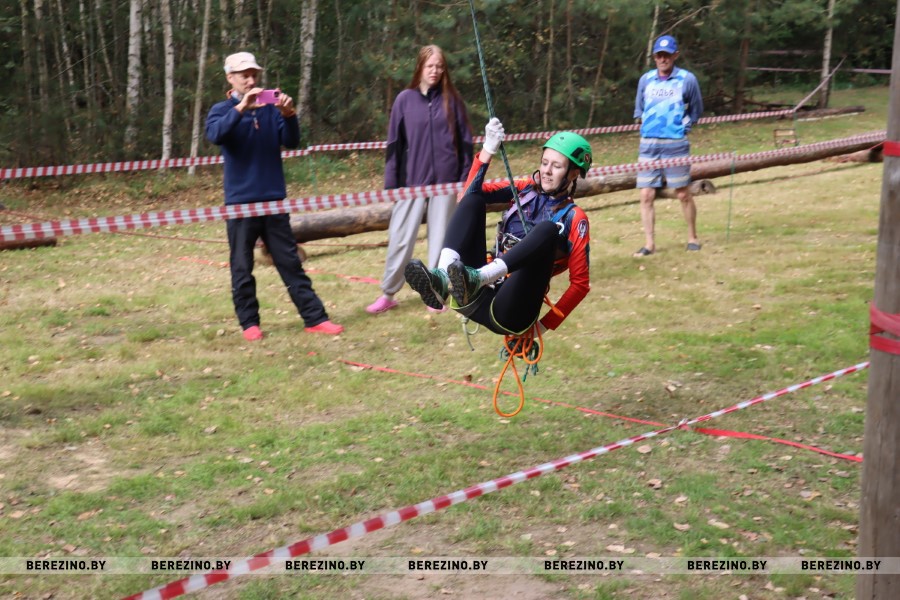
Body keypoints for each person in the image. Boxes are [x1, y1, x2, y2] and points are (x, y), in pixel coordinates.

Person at [403, 118, 591, 340]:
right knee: (473, 200)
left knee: (547, 230)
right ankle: (443, 280)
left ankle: (478, 277)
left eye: (557, 166)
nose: (547, 171)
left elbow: (580, 285)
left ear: (573, 173)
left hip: (511, 312)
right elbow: (467, 195)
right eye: (544, 163)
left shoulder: (574, 218)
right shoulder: (524, 189)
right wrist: (487, 150)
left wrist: (540, 328)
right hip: (473, 295)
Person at [206, 51, 343, 341]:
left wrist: (289, 116)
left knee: (290, 263)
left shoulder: (270, 108)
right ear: (230, 78)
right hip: (240, 203)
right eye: (244, 75)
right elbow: (216, 135)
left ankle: (315, 318)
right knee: (242, 266)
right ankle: (249, 324)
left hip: (273, 201)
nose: (250, 80)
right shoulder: (221, 110)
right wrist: (241, 108)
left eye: (254, 74)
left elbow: (291, 141)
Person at [366, 45, 473, 314]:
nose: (435, 71)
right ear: (420, 68)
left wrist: (464, 181)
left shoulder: (453, 101)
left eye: (440, 66)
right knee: (400, 238)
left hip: (446, 183)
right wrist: (392, 183)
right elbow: (394, 143)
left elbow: (466, 144)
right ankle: (388, 293)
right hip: (411, 183)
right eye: (430, 66)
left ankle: (436, 294)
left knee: (441, 239)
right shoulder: (404, 100)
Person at [632, 34, 704, 257]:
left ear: (675, 55)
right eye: (659, 55)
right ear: (654, 57)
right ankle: (649, 244)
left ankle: (692, 238)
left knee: (682, 193)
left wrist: (685, 126)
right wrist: (644, 125)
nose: (663, 59)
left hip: (676, 144)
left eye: (667, 55)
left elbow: (697, 109)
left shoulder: (687, 79)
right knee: (646, 195)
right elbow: (639, 109)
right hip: (649, 145)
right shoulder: (646, 80)